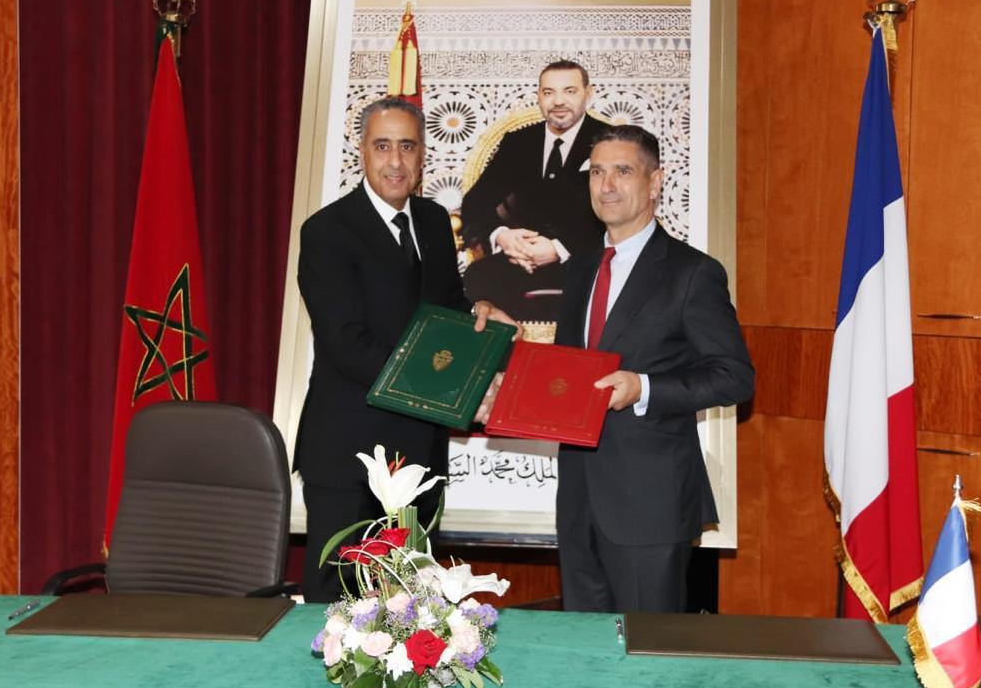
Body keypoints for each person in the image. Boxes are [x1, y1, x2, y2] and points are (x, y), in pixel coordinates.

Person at [294, 96, 514, 602]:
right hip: (350, 456)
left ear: (423, 155)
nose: (395, 161)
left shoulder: (434, 221)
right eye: (382, 146)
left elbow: (446, 309)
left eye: (407, 147)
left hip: (419, 454)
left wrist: (477, 313)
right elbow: (349, 345)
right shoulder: (327, 231)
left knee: (412, 609)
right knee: (339, 610)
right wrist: (449, 394)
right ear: (362, 151)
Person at [554, 124, 754, 613]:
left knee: (647, 648)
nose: (606, 186)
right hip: (578, 499)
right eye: (597, 172)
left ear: (655, 181)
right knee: (582, 647)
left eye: (623, 171)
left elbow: (735, 376)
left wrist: (643, 388)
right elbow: (570, 370)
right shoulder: (580, 269)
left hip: (650, 504)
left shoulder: (692, 272)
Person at [460, 60, 607, 321]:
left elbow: (624, 212)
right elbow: (475, 203)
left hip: (585, 259)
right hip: (517, 263)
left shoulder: (611, 140)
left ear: (588, 93)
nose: (558, 101)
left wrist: (559, 248)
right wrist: (503, 237)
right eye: (549, 92)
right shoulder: (518, 142)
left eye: (569, 91)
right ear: (538, 96)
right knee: (476, 278)